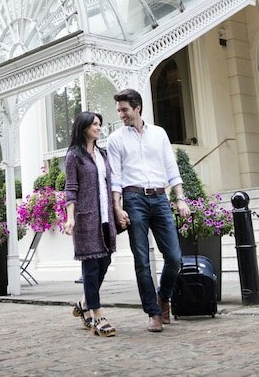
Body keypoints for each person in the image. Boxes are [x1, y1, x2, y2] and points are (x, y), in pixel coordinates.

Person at [107, 88, 191, 333]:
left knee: (174, 258)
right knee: (142, 260)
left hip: (160, 198)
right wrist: (117, 207)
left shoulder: (159, 133)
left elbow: (171, 167)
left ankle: (163, 297)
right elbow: (115, 178)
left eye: (124, 110)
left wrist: (180, 198)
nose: (121, 114)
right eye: (119, 110)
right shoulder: (115, 139)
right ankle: (153, 312)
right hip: (134, 200)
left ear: (138, 108)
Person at [63, 111, 118, 337]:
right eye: (94, 124)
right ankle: (97, 315)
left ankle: (84, 302)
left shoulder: (103, 154)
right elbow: (70, 188)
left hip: (106, 217)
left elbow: (111, 183)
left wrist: (118, 209)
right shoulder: (74, 156)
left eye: (99, 124)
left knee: (105, 261)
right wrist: (70, 217)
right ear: (84, 127)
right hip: (86, 219)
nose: (98, 127)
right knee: (91, 267)